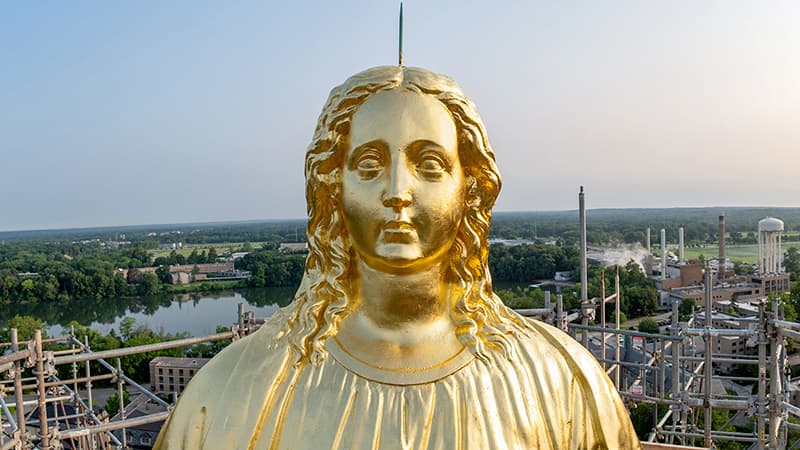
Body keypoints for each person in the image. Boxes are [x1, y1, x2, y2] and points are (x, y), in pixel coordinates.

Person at [154, 66, 641, 449]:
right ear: (332, 187)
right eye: (369, 164)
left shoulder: (561, 383)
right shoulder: (231, 392)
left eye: (429, 164)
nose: (397, 191)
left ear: (470, 189)